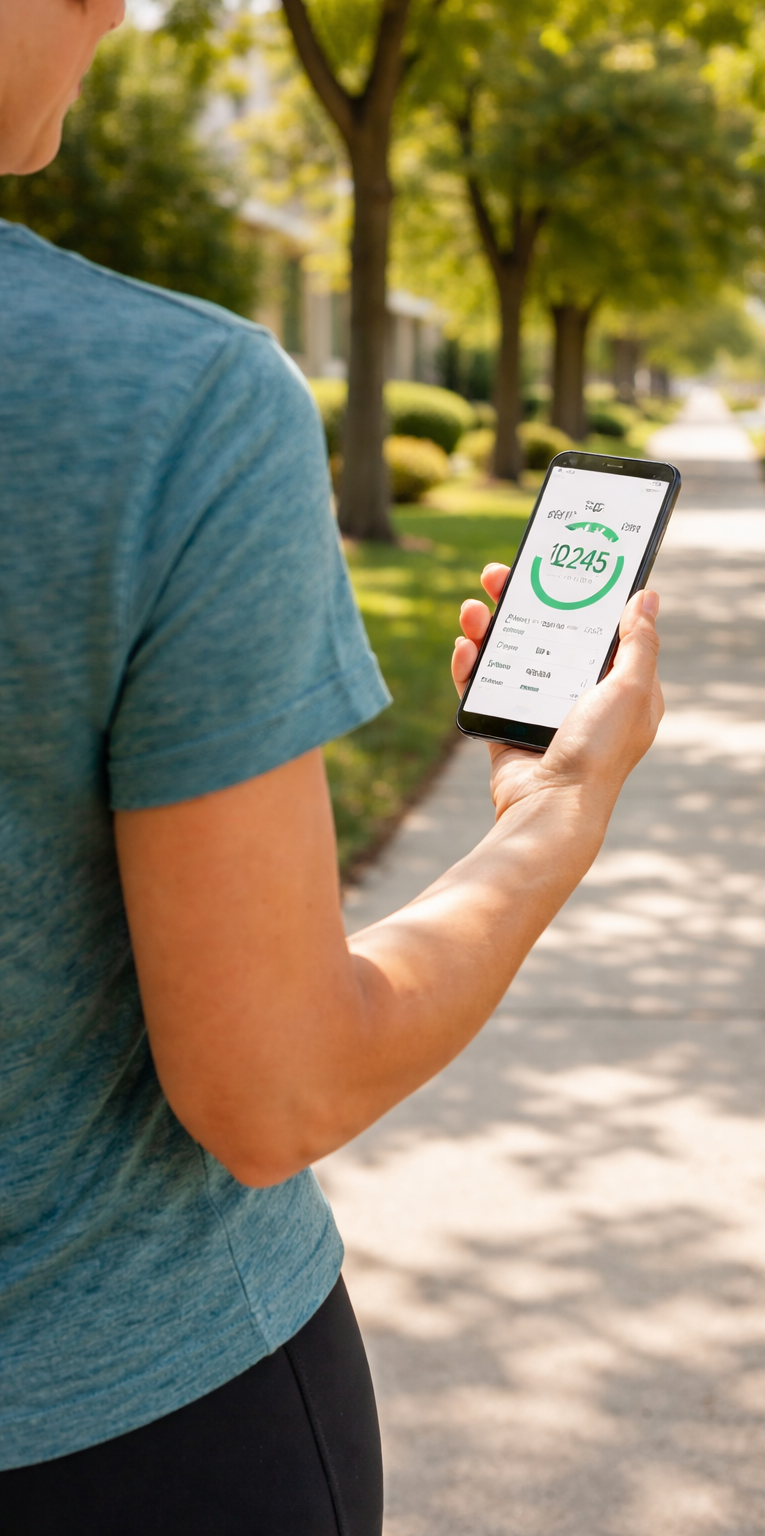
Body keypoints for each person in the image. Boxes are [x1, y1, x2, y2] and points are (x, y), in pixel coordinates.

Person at [0, 2, 664, 1531]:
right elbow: (273, 1085)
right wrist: (553, 817)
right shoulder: (174, 408)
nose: (116, 4)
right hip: (127, 1432)